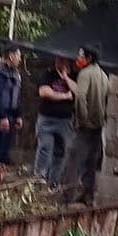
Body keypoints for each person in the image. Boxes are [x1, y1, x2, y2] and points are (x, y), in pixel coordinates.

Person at [61, 43, 109, 203]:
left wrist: (82, 119)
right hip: (98, 126)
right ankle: (88, 196)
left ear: (89, 58)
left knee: (73, 161)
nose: (78, 58)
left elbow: (80, 97)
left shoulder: (85, 74)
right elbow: (107, 99)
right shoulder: (103, 76)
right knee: (90, 162)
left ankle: (67, 196)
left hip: (85, 126)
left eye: (81, 56)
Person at [33, 57, 77, 188]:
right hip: (47, 119)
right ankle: (38, 181)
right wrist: (65, 96)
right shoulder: (48, 74)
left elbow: (78, 92)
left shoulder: (75, 76)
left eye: (62, 60)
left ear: (68, 61)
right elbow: (44, 92)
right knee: (44, 148)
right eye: (57, 59)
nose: (58, 62)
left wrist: (66, 78)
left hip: (65, 121)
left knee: (61, 152)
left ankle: (53, 182)